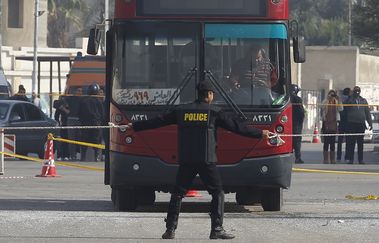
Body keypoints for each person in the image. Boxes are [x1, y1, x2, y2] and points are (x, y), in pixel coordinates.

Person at [127, 80, 270, 240]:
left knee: (178, 193)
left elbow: (158, 121)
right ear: (209, 94)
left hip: (187, 160)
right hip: (206, 160)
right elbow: (237, 128)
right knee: (217, 193)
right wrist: (260, 134)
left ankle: (170, 230)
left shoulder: (181, 111)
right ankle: (216, 229)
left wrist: (135, 126)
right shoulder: (214, 112)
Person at [344, 86, 372, 164]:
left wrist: (370, 123)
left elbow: (367, 113)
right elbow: (345, 106)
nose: (357, 92)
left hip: (361, 124)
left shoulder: (363, 100)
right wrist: (351, 97)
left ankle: (361, 159)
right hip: (352, 123)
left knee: (360, 143)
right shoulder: (350, 100)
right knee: (351, 143)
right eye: (355, 91)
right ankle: (351, 159)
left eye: (358, 91)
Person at [78, 84, 104, 161]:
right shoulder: (98, 101)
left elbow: (79, 113)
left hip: (85, 124)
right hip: (96, 124)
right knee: (96, 141)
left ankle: (83, 157)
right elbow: (102, 114)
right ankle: (96, 157)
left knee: (84, 141)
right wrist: (100, 121)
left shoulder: (83, 101)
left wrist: (81, 121)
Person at [321, 90, 343, 164]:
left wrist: (338, 100)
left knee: (332, 142)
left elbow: (341, 109)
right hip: (326, 123)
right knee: (326, 142)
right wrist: (327, 99)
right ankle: (325, 159)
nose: (332, 97)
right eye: (331, 95)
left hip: (334, 123)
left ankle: (333, 159)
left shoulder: (336, 102)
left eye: (333, 95)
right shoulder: (326, 101)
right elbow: (322, 107)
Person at [289, 84, 305, 164]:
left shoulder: (285, 98)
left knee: (288, 140)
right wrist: (301, 120)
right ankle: (297, 158)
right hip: (296, 123)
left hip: (287, 123)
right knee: (297, 141)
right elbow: (301, 112)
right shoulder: (297, 99)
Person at [336, 88, 351, 162]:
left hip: (341, 121)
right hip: (348, 121)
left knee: (340, 140)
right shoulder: (350, 99)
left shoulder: (340, 99)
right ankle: (347, 157)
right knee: (348, 141)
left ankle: (338, 157)